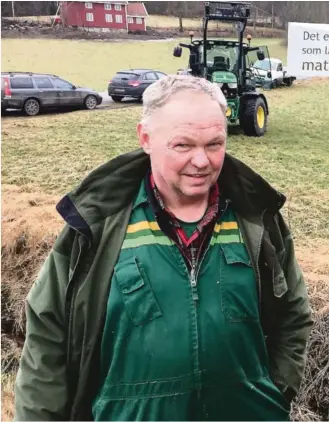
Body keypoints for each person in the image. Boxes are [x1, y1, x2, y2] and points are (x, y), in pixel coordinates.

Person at [14, 75, 313, 421]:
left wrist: (276, 391)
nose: (202, 161)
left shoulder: (256, 218)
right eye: (183, 146)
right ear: (146, 138)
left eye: (214, 144)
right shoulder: (97, 226)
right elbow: (47, 340)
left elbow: (293, 311)